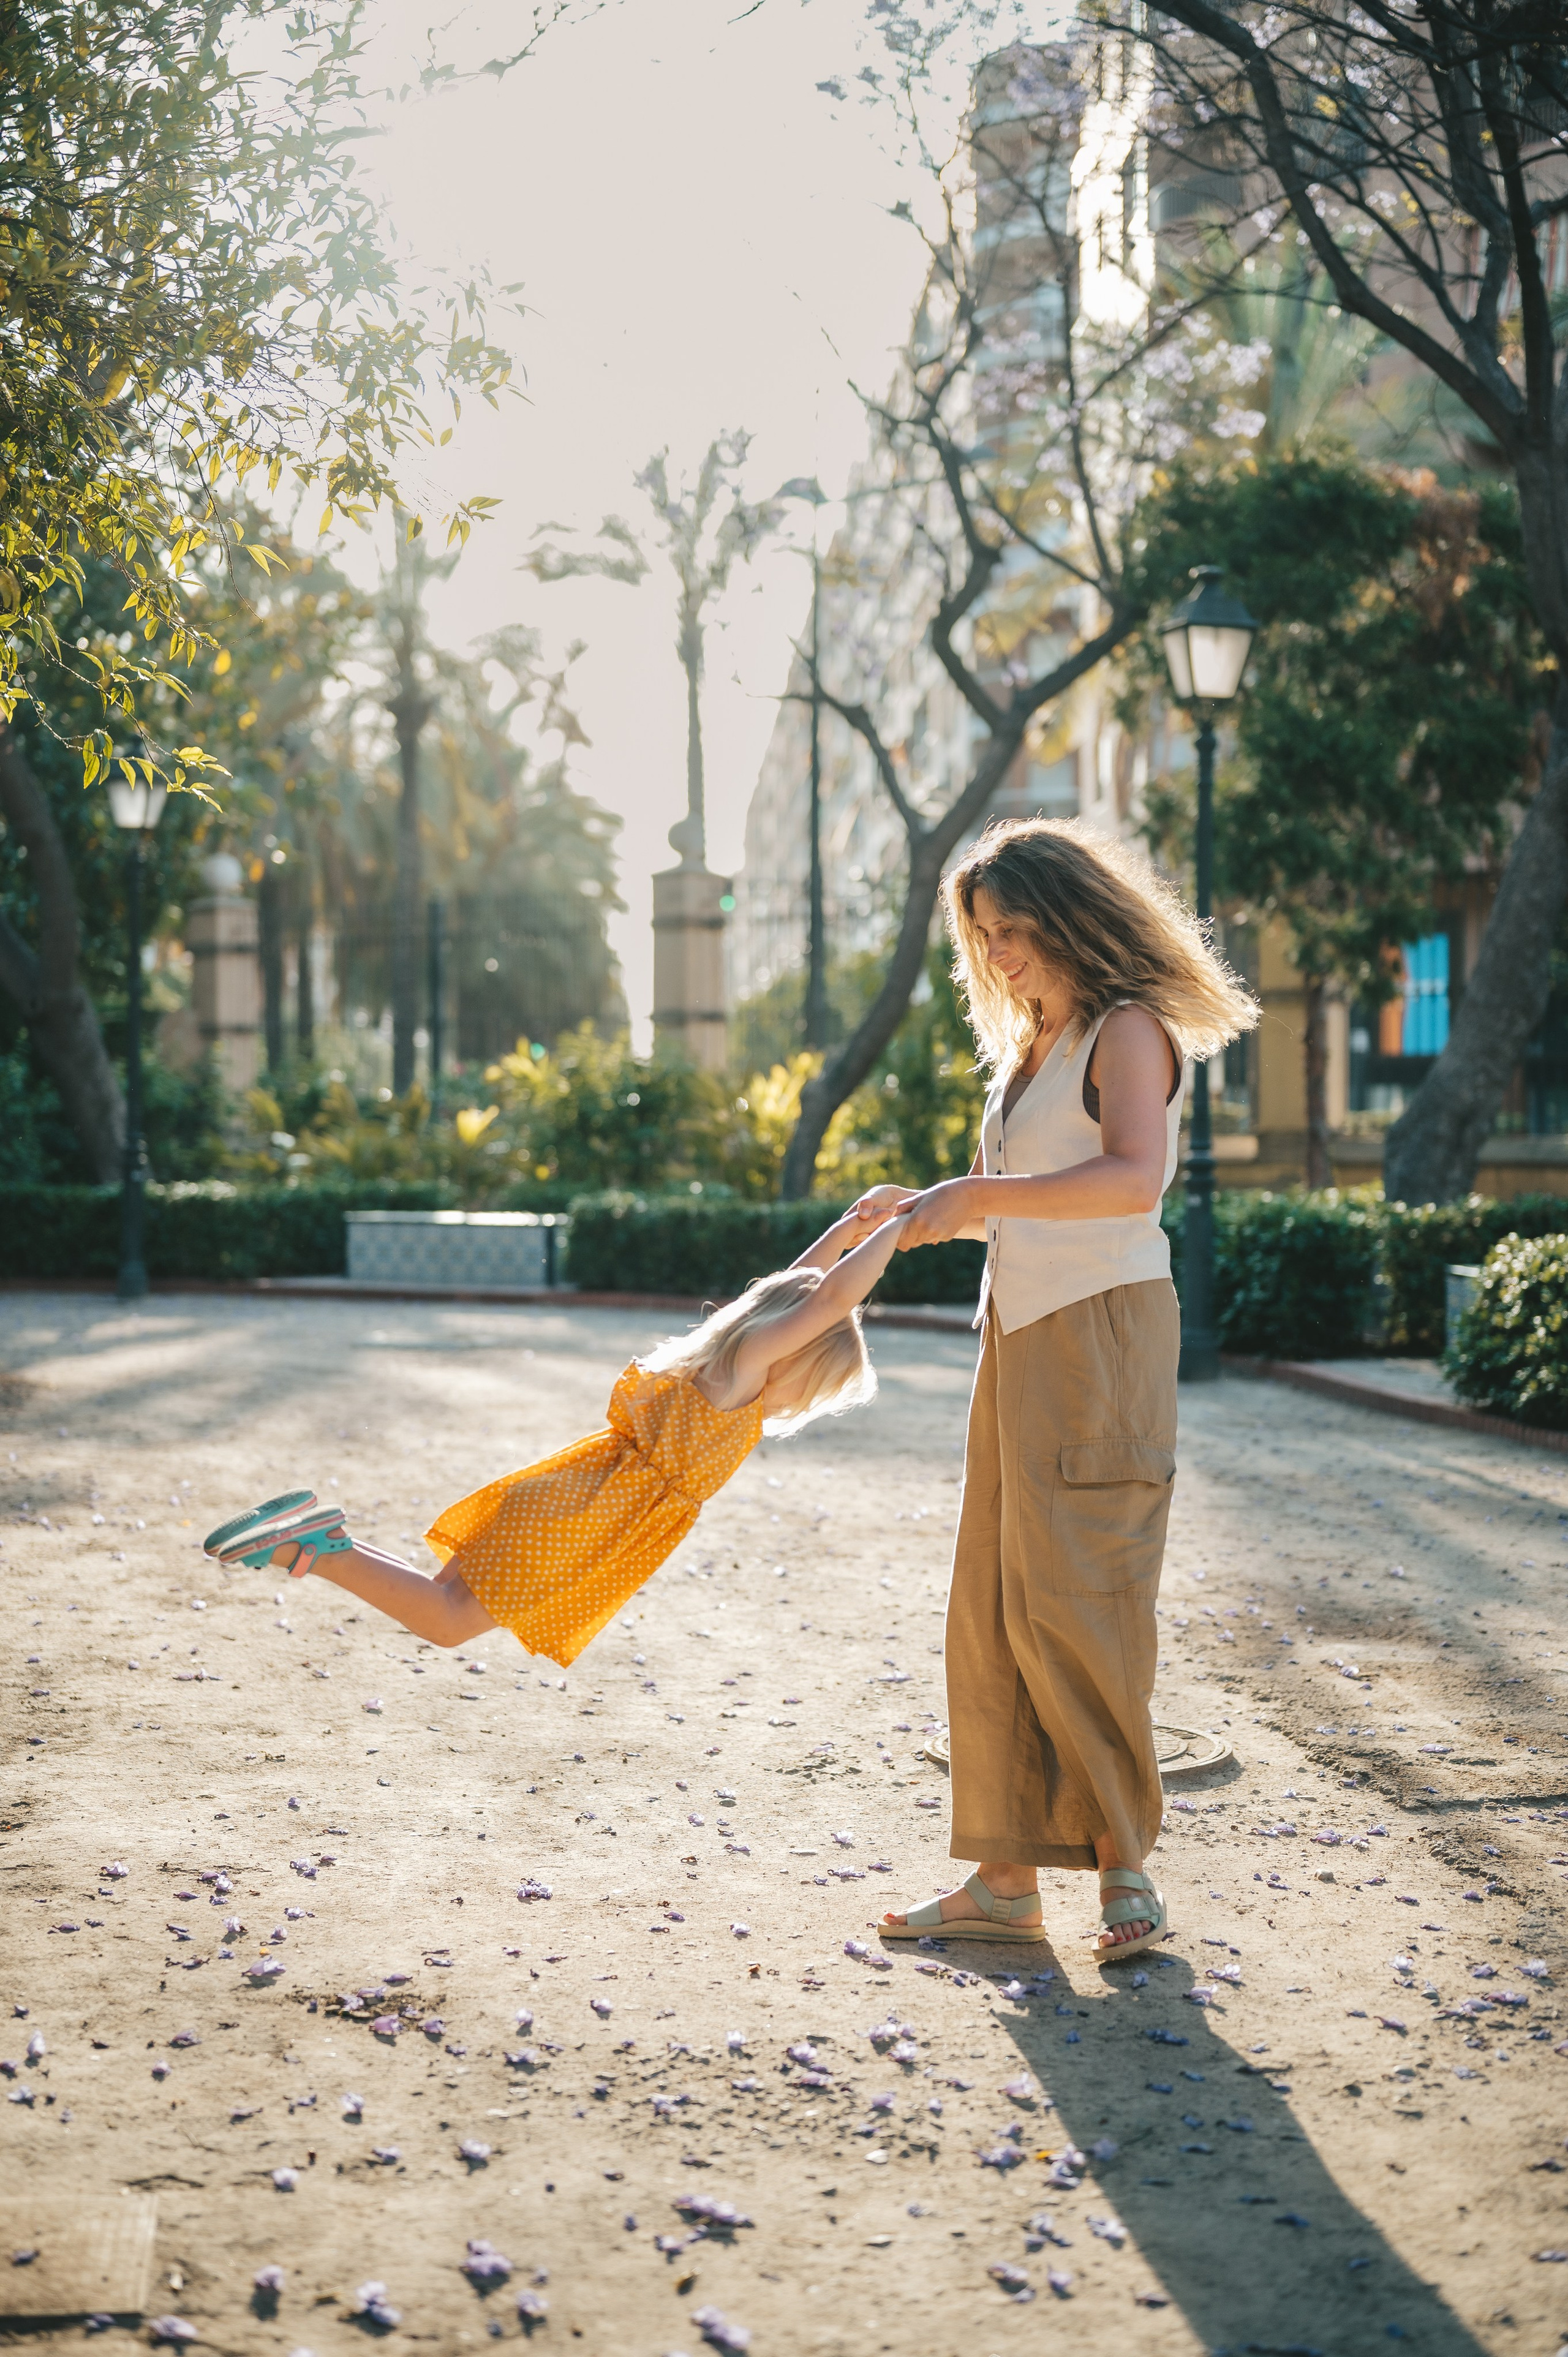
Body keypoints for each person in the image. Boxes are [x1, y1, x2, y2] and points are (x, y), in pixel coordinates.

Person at [873, 818, 1257, 1960]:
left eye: (1015, 930)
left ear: (1072, 915)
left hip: (1102, 1335)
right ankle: (1003, 1878)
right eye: (983, 936)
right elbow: (1011, 1192)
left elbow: (1131, 1179)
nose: (997, 954)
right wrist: (921, 1203)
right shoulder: (1033, 1045)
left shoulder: (1126, 1031)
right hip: (1018, 1336)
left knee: (1085, 1592)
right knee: (996, 1601)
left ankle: (1123, 1865)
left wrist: (974, 1197)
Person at [202, 1204, 912, 1662]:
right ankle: (321, 1551)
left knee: (441, 1596)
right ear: (795, 1352)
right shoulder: (742, 1382)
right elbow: (823, 1296)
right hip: (581, 1520)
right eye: (812, 1388)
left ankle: (324, 1536)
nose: (797, 1406)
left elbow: (794, 1285)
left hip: (567, 1495)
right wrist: (898, 1231)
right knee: (447, 1620)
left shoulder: (721, 1356)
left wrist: (849, 1226)